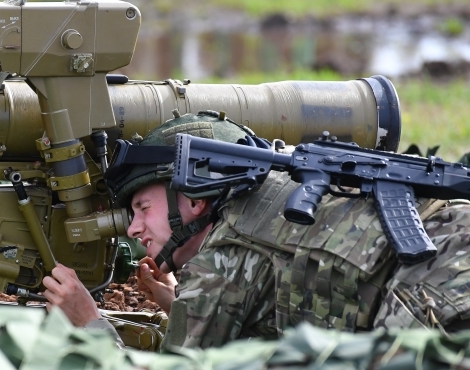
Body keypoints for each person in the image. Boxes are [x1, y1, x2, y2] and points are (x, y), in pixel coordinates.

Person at [41, 111, 470, 351]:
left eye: (142, 207)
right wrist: (180, 306)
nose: (134, 227)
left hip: (439, 285)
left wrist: (90, 322)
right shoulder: (265, 198)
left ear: (193, 199)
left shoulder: (220, 260)